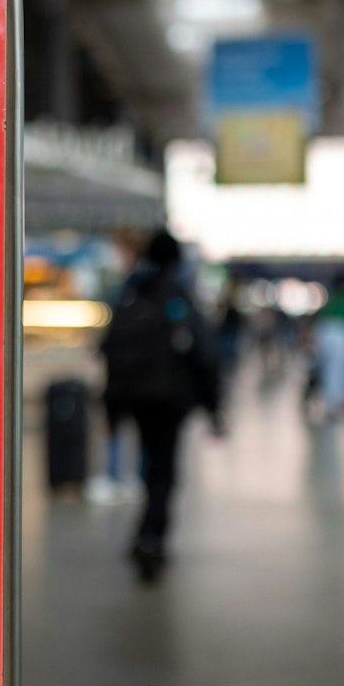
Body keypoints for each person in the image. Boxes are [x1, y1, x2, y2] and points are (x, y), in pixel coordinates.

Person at [100, 230, 209, 583]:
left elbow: (111, 347)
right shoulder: (180, 294)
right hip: (172, 398)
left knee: (150, 461)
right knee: (164, 469)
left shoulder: (132, 290)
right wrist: (214, 404)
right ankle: (153, 536)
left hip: (136, 397)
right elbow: (204, 351)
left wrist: (112, 406)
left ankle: (145, 530)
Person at [311, 276, 344, 420]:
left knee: (328, 368)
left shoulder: (330, 301)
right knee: (339, 368)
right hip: (341, 333)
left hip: (325, 333)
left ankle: (331, 401)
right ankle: (336, 401)